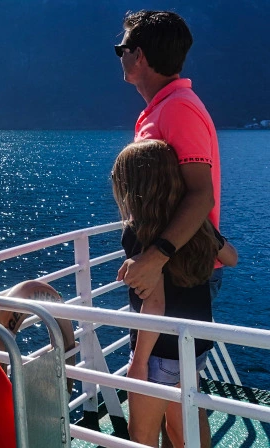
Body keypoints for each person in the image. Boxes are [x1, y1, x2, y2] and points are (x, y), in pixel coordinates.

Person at [112, 140, 223, 447]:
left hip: (159, 352)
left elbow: (155, 302)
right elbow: (232, 257)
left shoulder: (140, 232)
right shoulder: (193, 226)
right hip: (194, 347)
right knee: (181, 428)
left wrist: (139, 363)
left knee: (141, 436)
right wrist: (211, 237)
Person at [114, 10, 223, 304]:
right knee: (158, 350)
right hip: (166, 263)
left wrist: (154, 256)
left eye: (121, 50)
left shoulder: (178, 110)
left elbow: (202, 195)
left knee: (176, 350)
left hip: (179, 266)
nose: (119, 57)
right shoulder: (164, 107)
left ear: (139, 56)